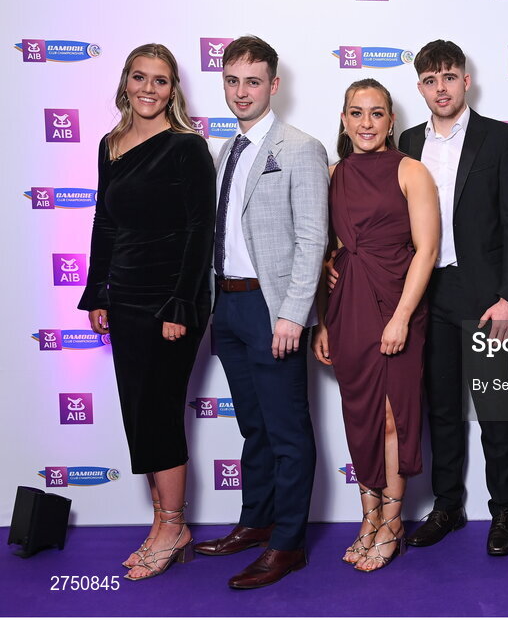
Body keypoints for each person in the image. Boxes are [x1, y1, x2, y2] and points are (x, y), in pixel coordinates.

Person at [193, 36, 328, 590]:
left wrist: (293, 314)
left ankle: (288, 543)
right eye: (232, 80)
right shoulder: (223, 152)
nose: (241, 91)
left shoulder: (299, 147)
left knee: (288, 430)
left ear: (274, 85)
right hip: (226, 307)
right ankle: (256, 521)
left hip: (273, 310)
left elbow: (312, 236)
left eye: (253, 81)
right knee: (254, 429)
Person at [78, 43, 215, 580]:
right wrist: (98, 292)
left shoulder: (187, 147)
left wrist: (181, 302)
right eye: (141, 78)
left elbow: (199, 230)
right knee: (138, 412)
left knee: (159, 411)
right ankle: (162, 523)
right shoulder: (110, 144)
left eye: (161, 81)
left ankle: (174, 524)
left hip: (171, 302)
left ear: (173, 89)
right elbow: (104, 224)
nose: (149, 89)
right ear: (126, 82)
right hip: (127, 297)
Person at [397, 40, 508, 556]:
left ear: (466, 80)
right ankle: (447, 505)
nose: (441, 89)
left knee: (495, 407)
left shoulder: (499, 138)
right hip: (429, 294)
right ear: (420, 88)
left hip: (484, 297)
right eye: (430, 81)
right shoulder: (407, 142)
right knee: (441, 409)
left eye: (449, 77)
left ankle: (503, 513)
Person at [312, 79, 439, 572]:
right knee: (359, 413)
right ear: (344, 120)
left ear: (391, 120)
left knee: (393, 416)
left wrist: (402, 316)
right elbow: (321, 247)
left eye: (377, 113)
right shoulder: (330, 174)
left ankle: (393, 521)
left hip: (397, 303)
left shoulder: (412, 171)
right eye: (356, 113)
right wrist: (323, 320)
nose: (366, 123)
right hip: (347, 307)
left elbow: (426, 251)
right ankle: (367, 518)